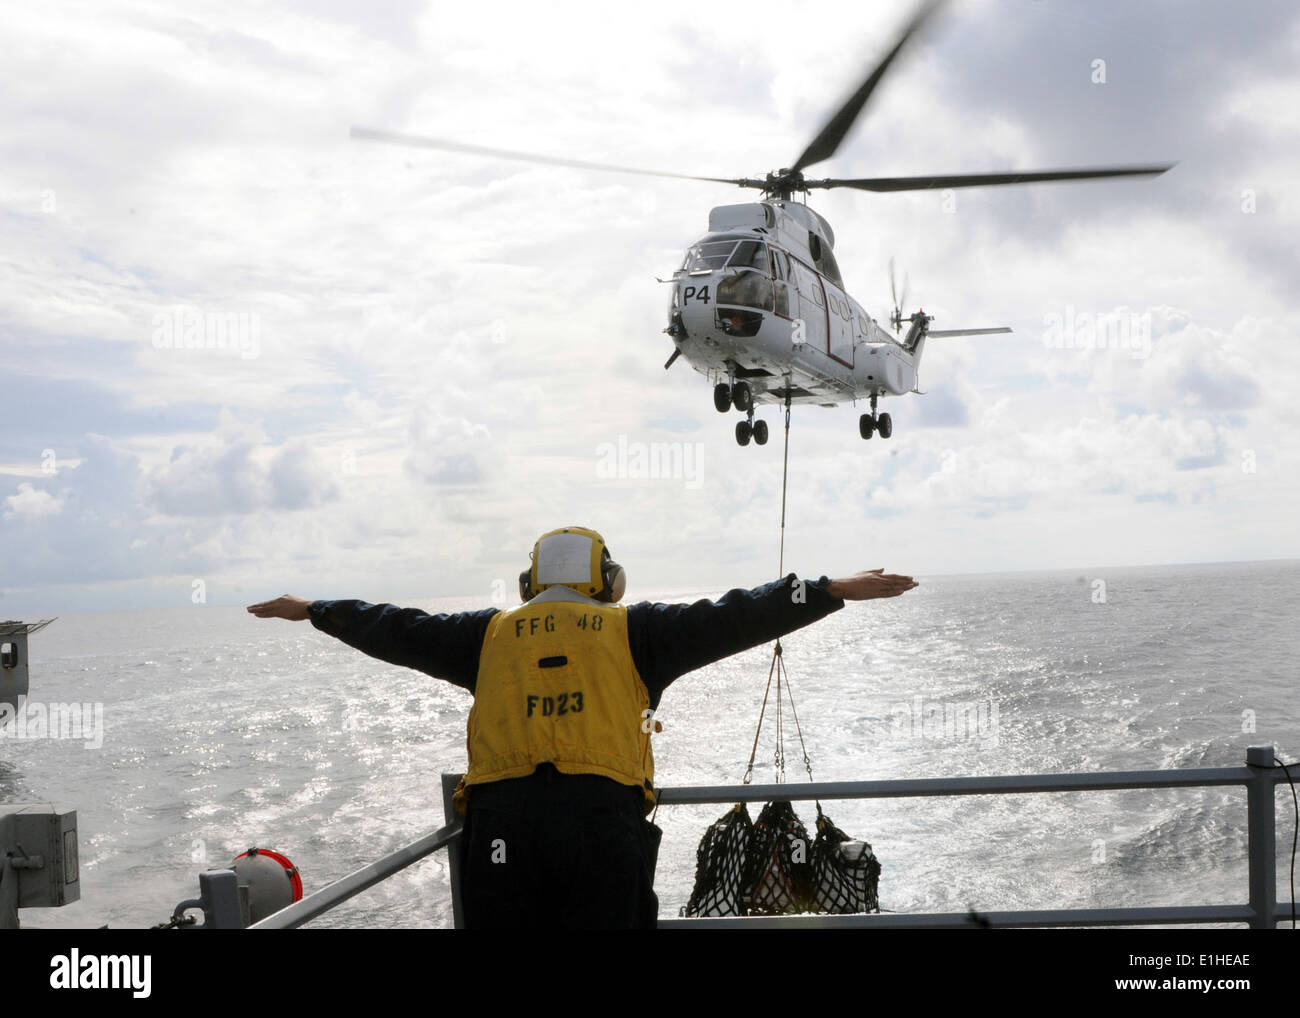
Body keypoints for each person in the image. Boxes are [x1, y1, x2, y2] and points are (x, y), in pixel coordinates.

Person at [246, 525, 917, 928]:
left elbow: (394, 628)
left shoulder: (486, 635)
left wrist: (313, 608)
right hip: (600, 822)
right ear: (609, 580)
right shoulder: (640, 629)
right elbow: (739, 614)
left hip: (502, 827)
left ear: (529, 581)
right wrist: (830, 588)